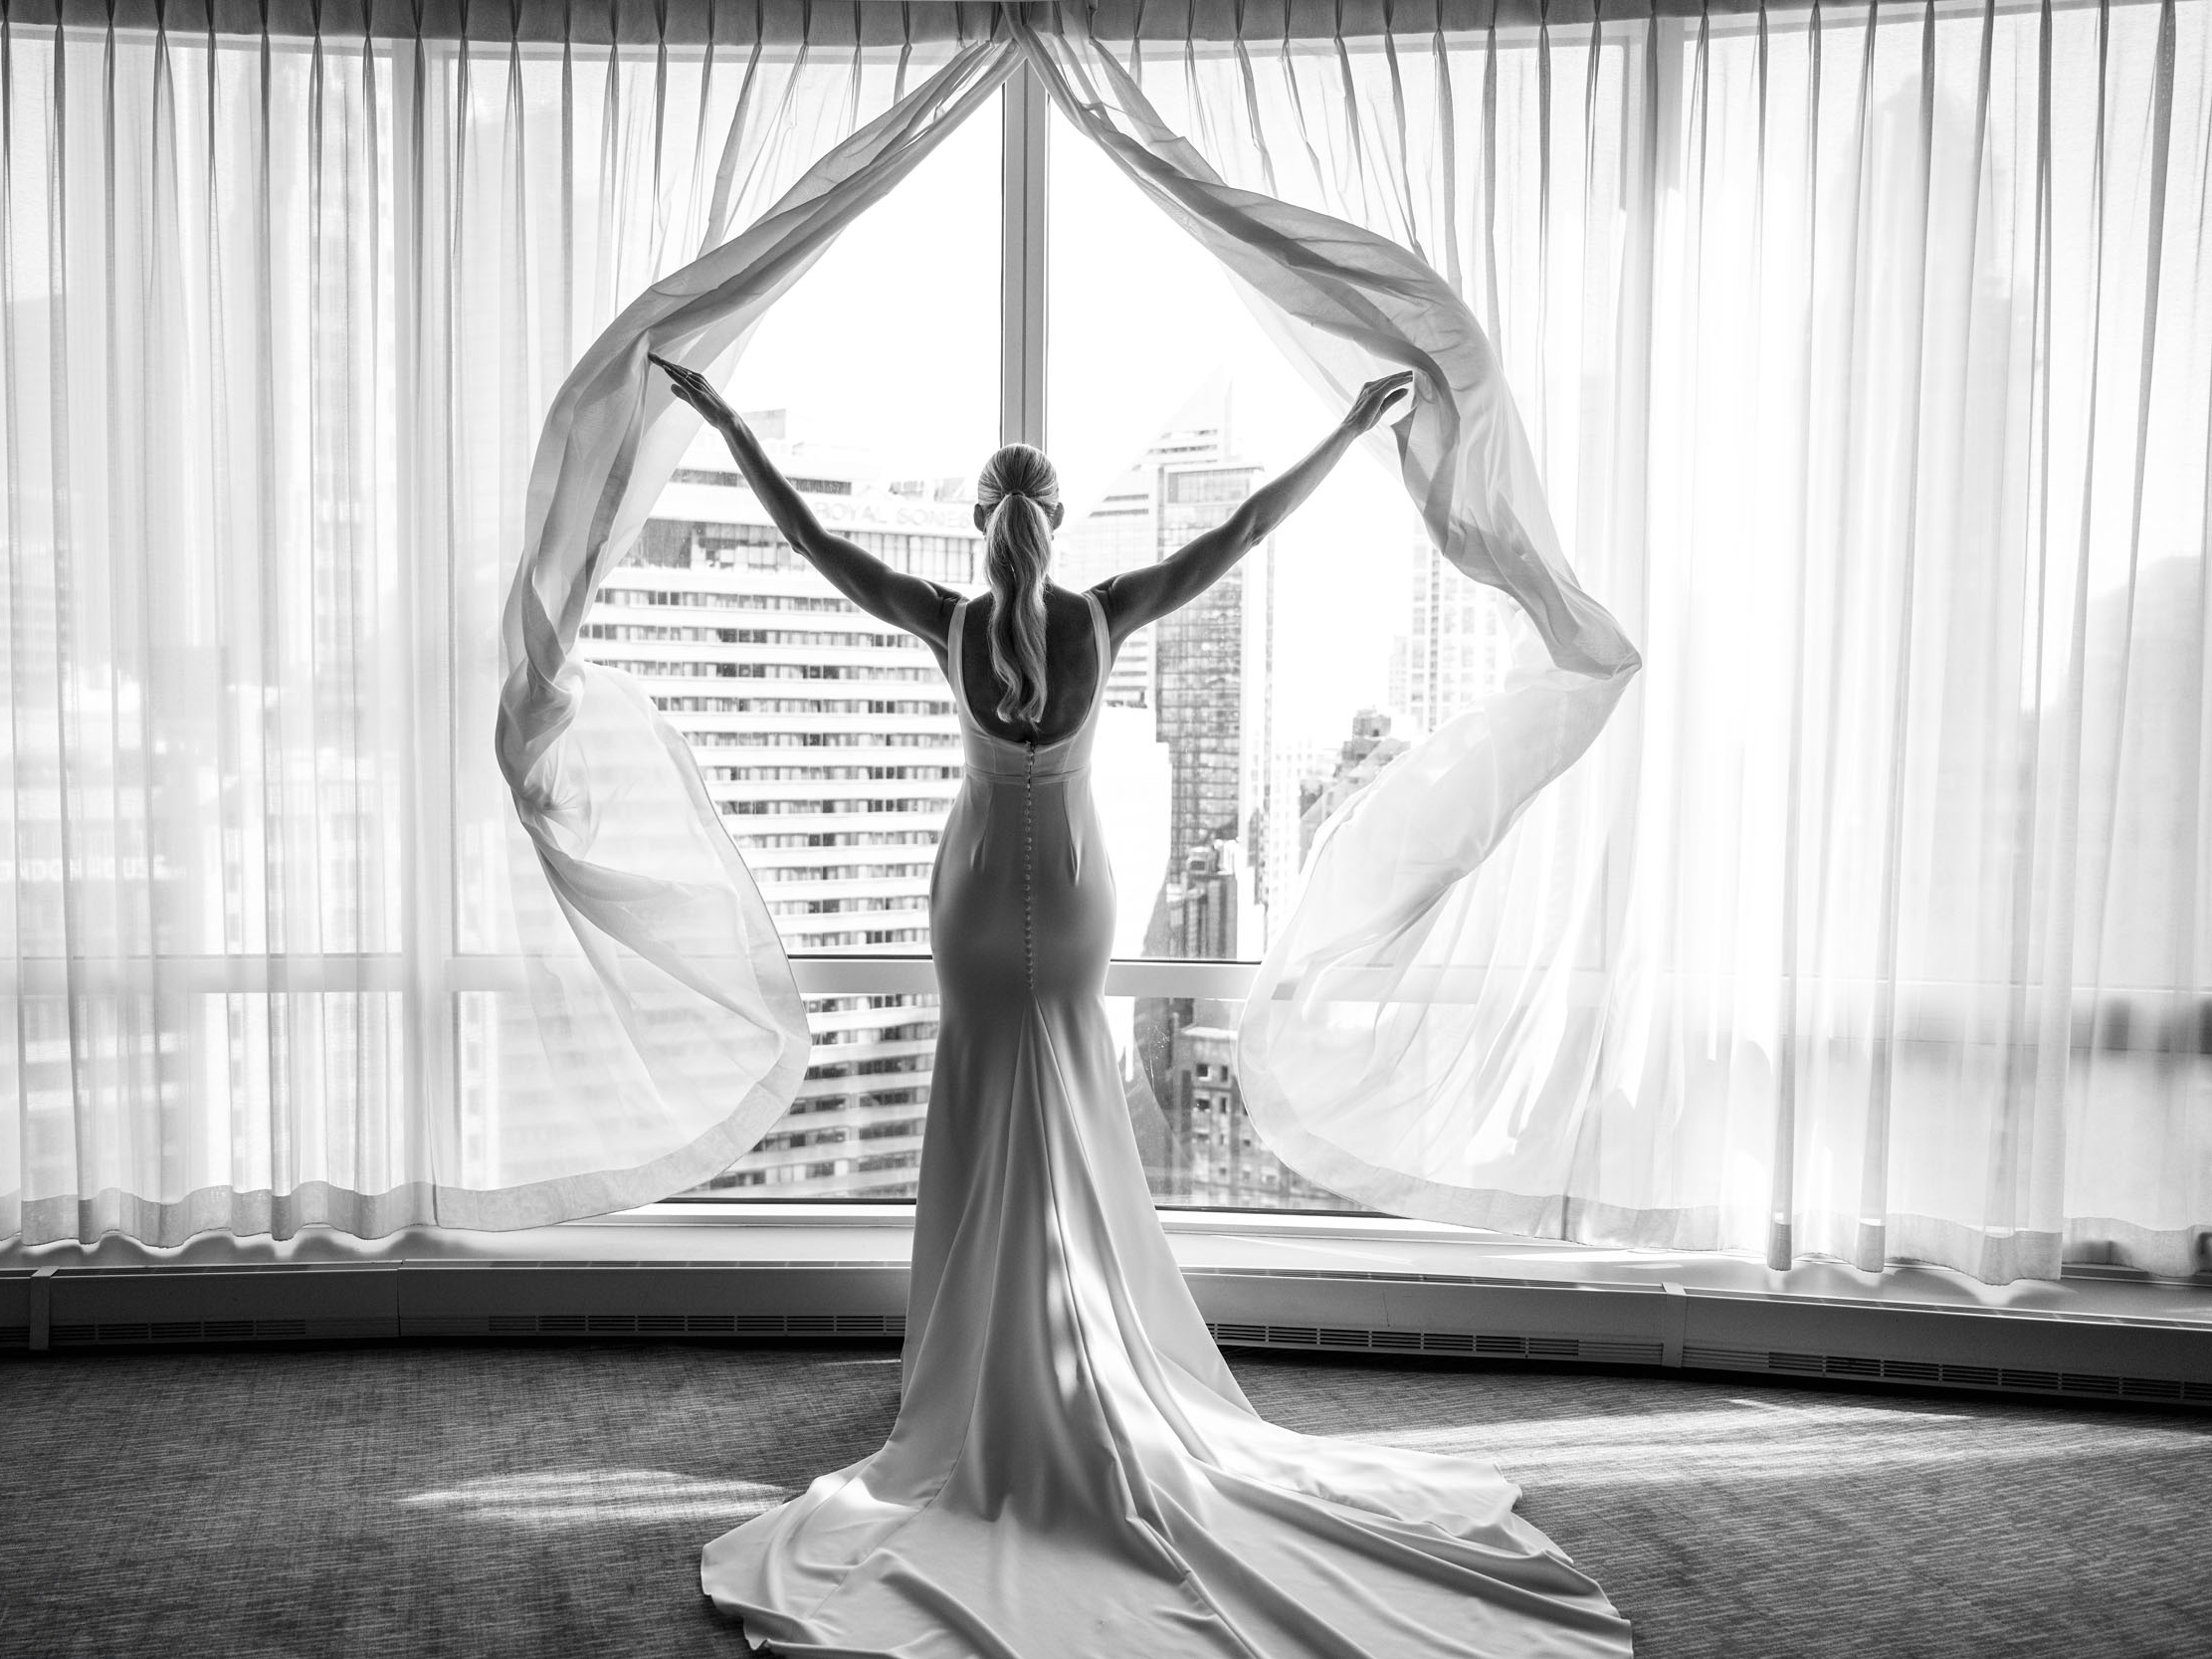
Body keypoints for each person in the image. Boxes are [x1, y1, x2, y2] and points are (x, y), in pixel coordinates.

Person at [650, 351, 1633, 1659]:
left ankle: (981, 1366)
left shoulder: (948, 620)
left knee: (987, 1106)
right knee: (1064, 1112)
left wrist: (722, 418)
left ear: (983, 524)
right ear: (1054, 522)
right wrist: (1344, 433)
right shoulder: (1101, 614)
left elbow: (811, 536)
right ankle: (1073, 1354)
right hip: (1069, 888)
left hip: (979, 889)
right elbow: (1239, 531)